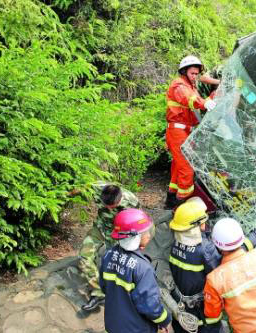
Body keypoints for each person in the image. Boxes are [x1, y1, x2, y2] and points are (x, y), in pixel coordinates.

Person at [99, 208, 173, 333]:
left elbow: (104, 287)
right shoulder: (142, 268)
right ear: (135, 237)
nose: (149, 235)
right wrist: (165, 320)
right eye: (145, 233)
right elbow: (149, 305)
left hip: (113, 325)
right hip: (136, 328)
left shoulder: (109, 255)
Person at [165, 55, 219, 209]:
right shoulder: (179, 85)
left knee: (177, 167)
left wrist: (214, 96)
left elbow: (201, 101)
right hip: (177, 132)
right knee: (187, 169)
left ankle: (171, 200)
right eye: (192, 74)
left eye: (196, 74)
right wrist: (204, 103)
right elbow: (190, 100)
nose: (195, 76)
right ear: (184, 71)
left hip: (184, 131)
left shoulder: (190, 86)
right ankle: (183, 206)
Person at [79, 183, 140, 311]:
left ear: (120, 199)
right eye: (106, 206)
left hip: (117, 234)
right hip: (100, 229)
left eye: (113, 207)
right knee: (84, 256)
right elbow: (80, 187)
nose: (109, 209)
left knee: (118, 264)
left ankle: (126, 294)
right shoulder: (97, 188)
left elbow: (136, 223)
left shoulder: (132, 201)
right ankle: (98, 293)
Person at [168, 198, 223, 332]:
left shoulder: (175, 243)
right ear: (196, 225)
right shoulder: (205, 249)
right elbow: (221, 273)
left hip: (180, 305)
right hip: (202, 312)